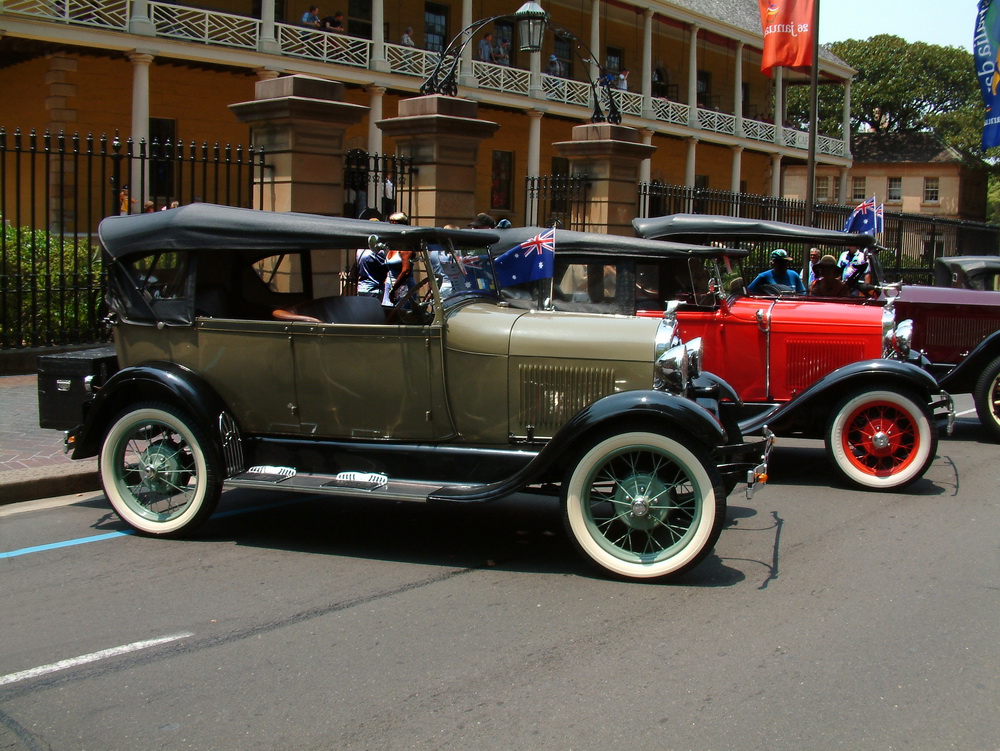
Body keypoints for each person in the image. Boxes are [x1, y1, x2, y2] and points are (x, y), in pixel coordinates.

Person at [382, 212, 414, 309]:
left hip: (402, 287)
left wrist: (394, 289)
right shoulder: (392, 245)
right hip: (390, 286)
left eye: (394, 223)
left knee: (401, 316)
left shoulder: (406, 246)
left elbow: (406, 271)